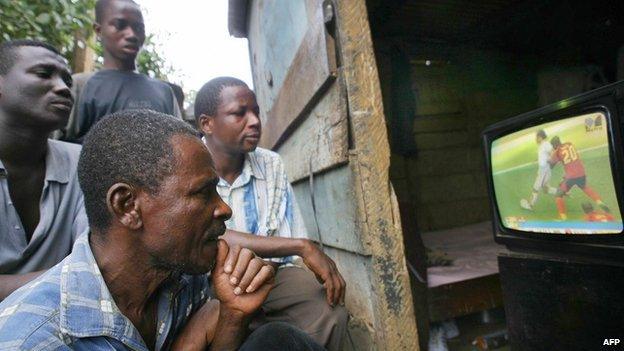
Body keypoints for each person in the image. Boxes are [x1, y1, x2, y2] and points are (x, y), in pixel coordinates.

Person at [0, 110, 323, 351]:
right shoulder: (33, 338)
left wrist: (232, 316)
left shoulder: (186, 280)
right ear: (127, 206)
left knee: (278, 339)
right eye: (202, 192)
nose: (224, 209)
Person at [195, 77, 348, 350]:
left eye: (255, 111)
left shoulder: (270, 164)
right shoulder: (190, 167)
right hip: (206, 281)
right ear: (207, 124)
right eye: (239, 113)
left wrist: (268, 268)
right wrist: (303, 246)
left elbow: (283, 238)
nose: (254, 121)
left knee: (329, 310)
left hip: (271, 272)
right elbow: (211, 236)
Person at [0, 39, 88, 300]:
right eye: (43, 74)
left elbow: (100, 263)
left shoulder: (83, 163)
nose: (63, 88)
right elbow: (90, 276)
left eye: (67, 81)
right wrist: (74, 278)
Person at [57, 0, 181, 143]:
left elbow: (179, 146)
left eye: (138, 28)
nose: (131, 34)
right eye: (120, 25)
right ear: (98, 30)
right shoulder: (79, 85)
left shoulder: (164, 92)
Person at [549, 136, 610, 220]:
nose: (553, 147)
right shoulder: (569, 144)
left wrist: (551, 155)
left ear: (555, 144)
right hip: (581, 172)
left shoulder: (556, 151)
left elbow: (551, 166)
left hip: (571, 176)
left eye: (553, 145)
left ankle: (563, 218)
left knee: (558, 195)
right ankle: (599, 201)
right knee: (584, 187)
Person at [520, 129, 557, 210]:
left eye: (536, 137)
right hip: (543, 170)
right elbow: (544, 156)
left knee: (535, 188)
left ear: (540, 137)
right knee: (546, 189)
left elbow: (553, 153)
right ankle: (562, 192)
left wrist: (549, 160)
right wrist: (538, 160)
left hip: (544, 171)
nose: (535, 139)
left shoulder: (546, 144)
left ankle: (530, 205)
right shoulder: (541, 145)